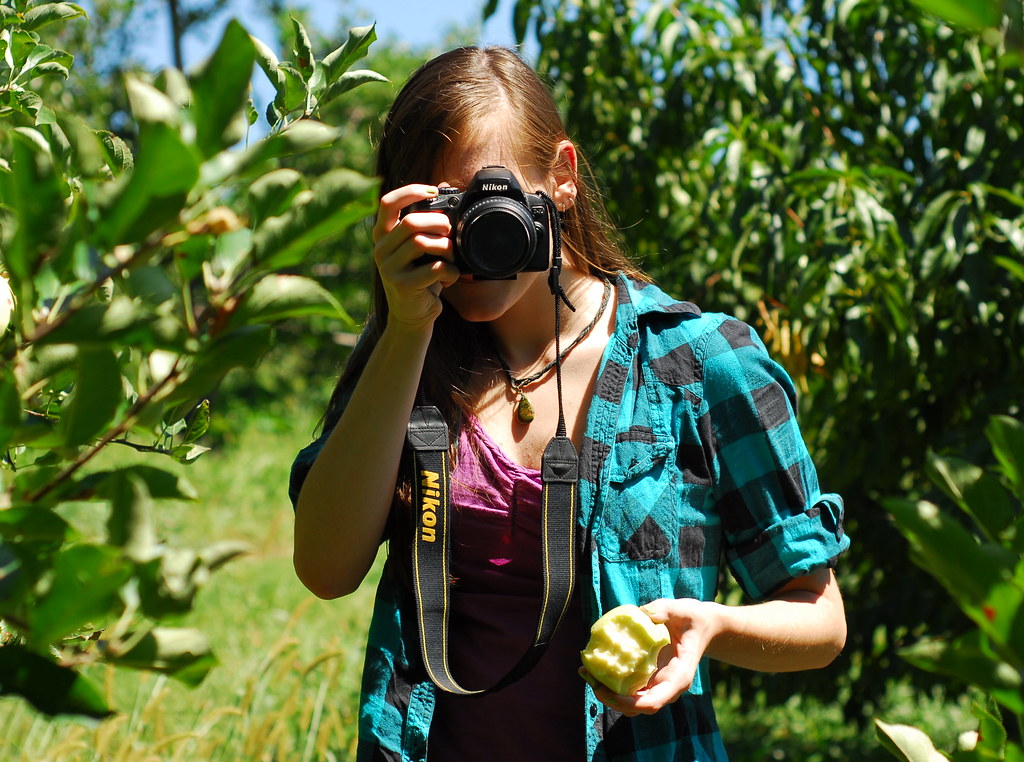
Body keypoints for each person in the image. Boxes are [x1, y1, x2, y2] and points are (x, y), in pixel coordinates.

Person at [288, 45, 849, 762]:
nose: (471, 236)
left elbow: (822, 618)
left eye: (488, 200)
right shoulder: (405, 353)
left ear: (563, 180)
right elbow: (326, 570)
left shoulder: (701, 364)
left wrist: (710, 627)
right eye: (442, 209)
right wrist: (404, 330)